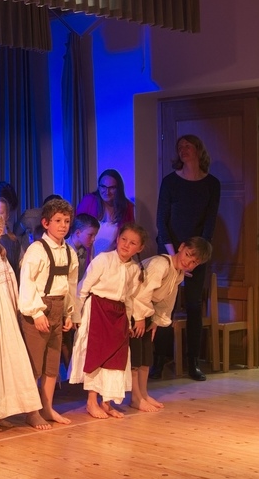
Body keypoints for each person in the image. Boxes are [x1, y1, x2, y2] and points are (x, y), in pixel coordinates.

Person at [0, 209, 48, 431]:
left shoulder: (0, 255)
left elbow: (11, 287)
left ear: (0, 231)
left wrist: (16, 313)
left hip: (8, 318)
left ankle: (28, 411)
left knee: (15, 362)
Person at [156, 134, 222, 381]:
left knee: (194, 305)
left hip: (197, 254)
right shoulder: (170, 182)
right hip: (170, 252)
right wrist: (174, 256)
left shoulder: (212, 184)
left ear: (198, 150)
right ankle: (159, 360)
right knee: (166, 305)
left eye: (188, 145)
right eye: (180, 146)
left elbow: (210, 222)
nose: (183, 149)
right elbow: (161, 220)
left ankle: (193, 361)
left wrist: (195, 257)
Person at [70, 223, 146, 419]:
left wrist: (129, 322)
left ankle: (107, 401)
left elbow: (129, 298)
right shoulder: (104, 259)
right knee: (97, 355)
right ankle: (91, 401)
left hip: (118, 315)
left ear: (140, 248)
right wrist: (76, 314)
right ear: (118, 239)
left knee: (116, 358)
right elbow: (83, 288)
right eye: (124, 239)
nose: (126, 245)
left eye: (133, 243)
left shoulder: (134, 269)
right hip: (98, 309)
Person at [130, 238, 212, 410]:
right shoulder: (160, 265)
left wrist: (156, 320)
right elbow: (142, 292)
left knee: (146, 357)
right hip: (133, 310)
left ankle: (143, 394)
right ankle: (135, 398)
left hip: (146, 312)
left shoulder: (178, 272)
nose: (188, 262)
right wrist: (139, 318)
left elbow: (168, 300)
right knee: (135, 358)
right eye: (187, 255)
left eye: (194, 262)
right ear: (181, 247)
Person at [18, 197, 79, 426]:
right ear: (46, 223)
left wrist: (69, 313)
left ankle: (47, 408)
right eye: (58, 220)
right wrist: (36, 313)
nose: (63, 225)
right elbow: (27, 283)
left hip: (58, 307)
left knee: (52, 364)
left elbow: (71, 285)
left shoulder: (70, 252)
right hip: (39, 308)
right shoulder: (37, 250)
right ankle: (31, 411)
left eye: (66, 221)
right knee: (35, 363)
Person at [76, 169, 136, 258]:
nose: (107, 192)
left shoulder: (126, 207)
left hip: (112, 260)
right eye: (103, 186)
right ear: (99, 186)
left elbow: (130, 235)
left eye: (112, 188)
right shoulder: (89, 201)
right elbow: (76, 229)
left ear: (118, 188)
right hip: (86, 258)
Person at [69, 213, 101, 285]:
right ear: (78, 233)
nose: (93, 239)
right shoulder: (64, 249)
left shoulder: (84, 250)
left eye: (95, 235)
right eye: (90, 235)